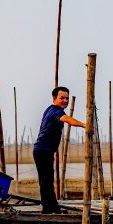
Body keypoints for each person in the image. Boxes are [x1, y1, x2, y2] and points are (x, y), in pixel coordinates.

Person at [33, 86, 86, 214]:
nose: (65, 101)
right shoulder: (57, 111)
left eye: (67, 98)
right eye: (62, 98)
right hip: (43, 150)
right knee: (46, 181)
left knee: (47, 180)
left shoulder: (50, 109)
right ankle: (48, 209)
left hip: (44, 150)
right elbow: (68, 120)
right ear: (54, 98)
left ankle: (52, 207)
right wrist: (85, 125)